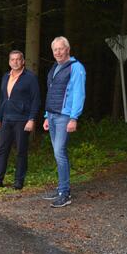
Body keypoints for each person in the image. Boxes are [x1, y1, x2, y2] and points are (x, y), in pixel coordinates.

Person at [42, 36, 86, 208]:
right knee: (57, 153)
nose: (58, 52)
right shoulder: (55, 67)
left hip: (64, 117)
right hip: (52, 116)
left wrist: (74, 117)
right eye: (55, 50)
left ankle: (65, 193)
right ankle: (61, 187)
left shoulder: (76, 68)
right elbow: (51, 93)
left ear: (68, 49)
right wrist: (46, 116)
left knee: (60, 152)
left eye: (61, 48)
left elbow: (78, 94)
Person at [0, 50, 40, 189]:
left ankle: (18, 181)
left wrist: (32, 119)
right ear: (9, 62)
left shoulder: (30, 78)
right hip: (6, 119)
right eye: (12, 59)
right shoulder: (5, 77)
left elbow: (36, 100)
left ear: (23, 61)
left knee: (21, 151)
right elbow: (2, 99)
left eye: (18, 59)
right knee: (2, 150)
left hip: (22, 119)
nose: (15, 62)